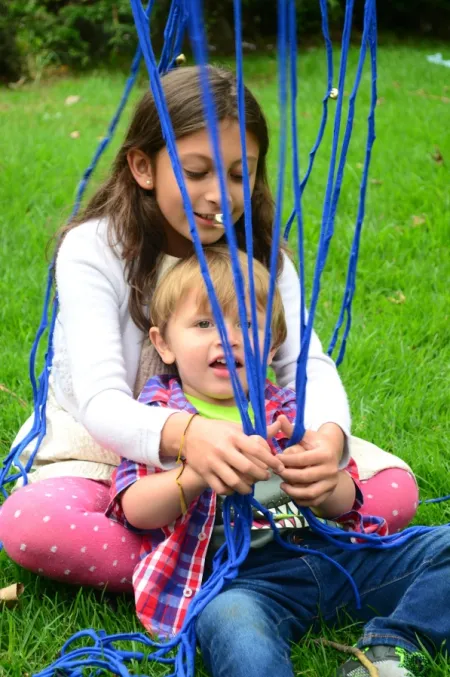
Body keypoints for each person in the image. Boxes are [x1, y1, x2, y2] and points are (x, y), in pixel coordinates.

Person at [0, 65, 417, 593]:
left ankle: (213, 560)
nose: (220, 193)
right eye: (196, 172)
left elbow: (302, 364)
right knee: (32, 526)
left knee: (395, 491)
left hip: (252, 431)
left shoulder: (262, 255)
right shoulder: (94, 248)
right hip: (112, 444)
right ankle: (252, 565)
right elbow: (99, 401)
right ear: (142, 167)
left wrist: (326, 442)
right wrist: (189, 436)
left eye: (240, 174)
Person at [108, 248, 447, 677]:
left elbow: (346, 504)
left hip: (332, 558)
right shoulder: (160, 414)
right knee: (237, 633)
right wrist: (197, 473)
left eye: (246, 325)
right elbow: (135, 509)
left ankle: (389, 649)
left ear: (271, 348)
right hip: (241, 583)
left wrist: (323, 482)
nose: (226, 338)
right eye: (203, 323)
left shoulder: (289, 408)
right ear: (164, 344)